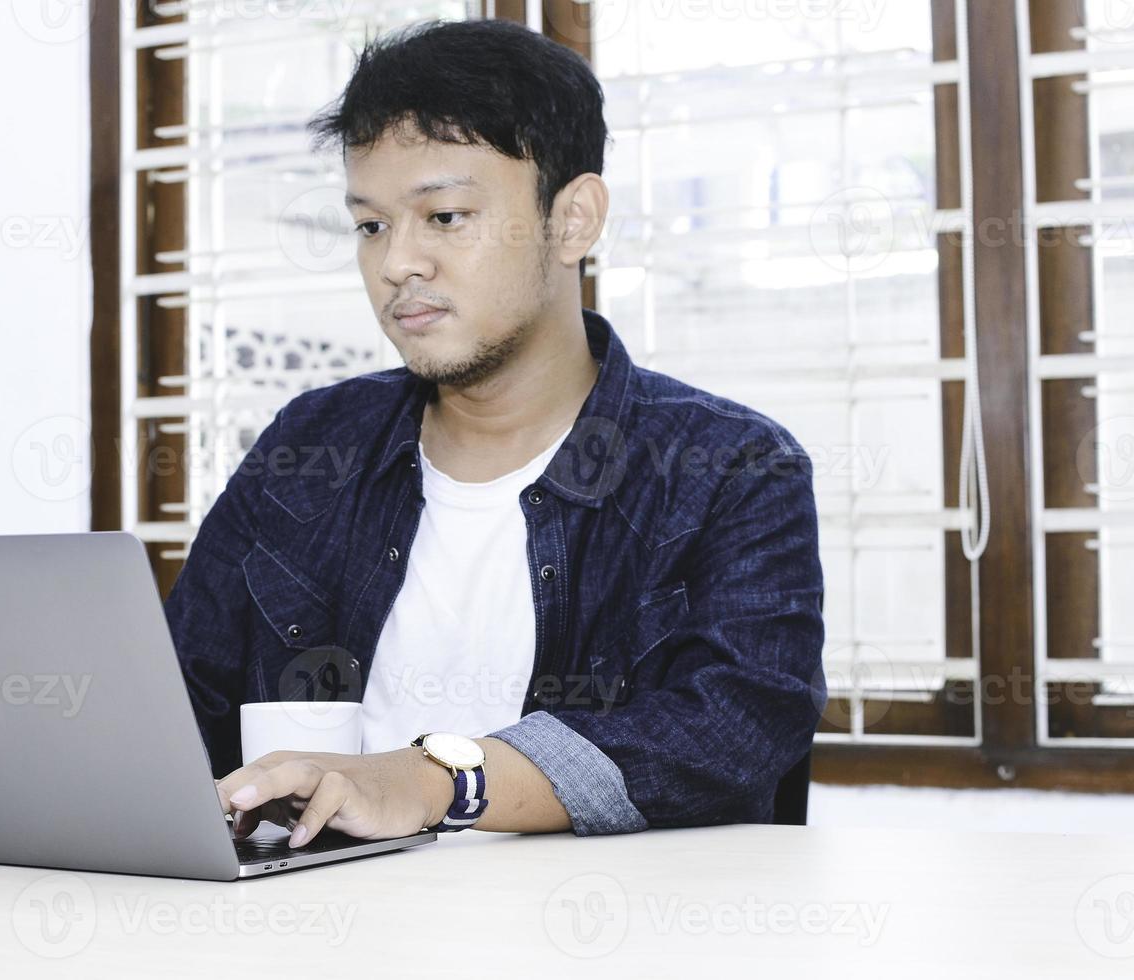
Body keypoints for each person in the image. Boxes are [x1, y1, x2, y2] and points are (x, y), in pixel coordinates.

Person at [163, 19, 825, 849]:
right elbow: (174, 705)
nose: (398, 262)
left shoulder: (728, 468)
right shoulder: (312, 445)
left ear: (574, 220)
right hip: (319, 931)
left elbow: (729, 732)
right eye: (370, 225)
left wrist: (436, 779)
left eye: (443, 216)